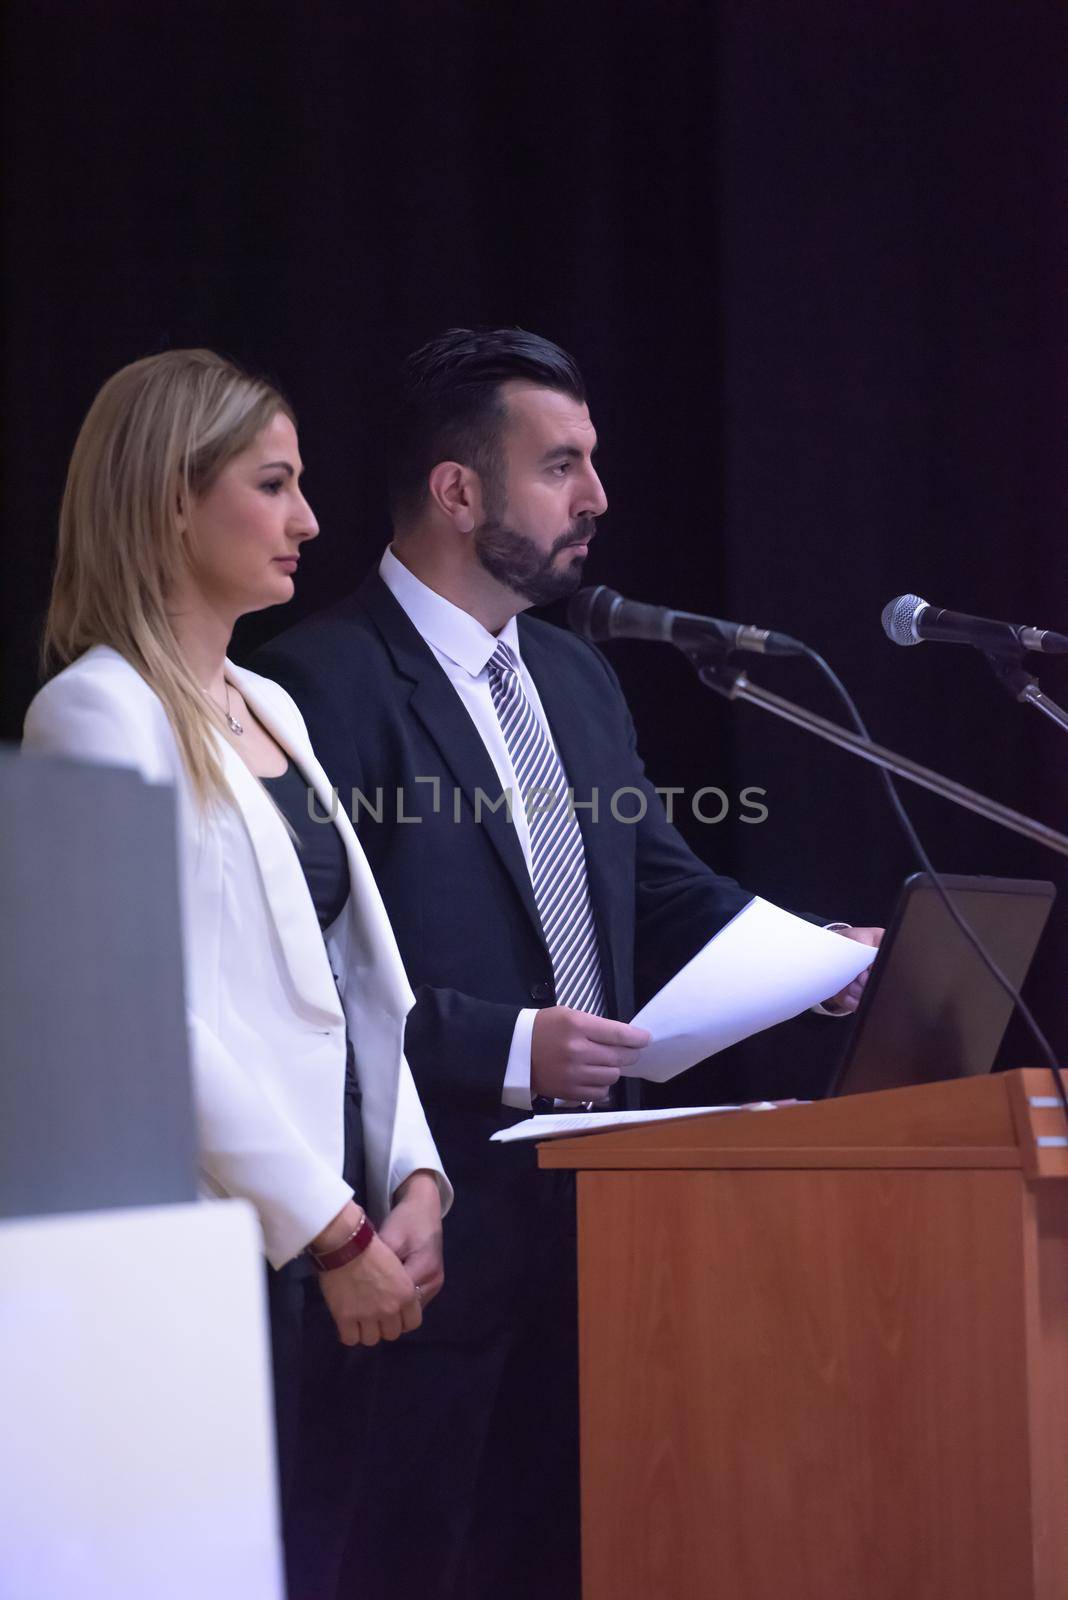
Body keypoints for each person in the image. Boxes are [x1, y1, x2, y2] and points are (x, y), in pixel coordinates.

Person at [252, 327, 881, 1599]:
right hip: (425, 1237)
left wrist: (811, 955)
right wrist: (509, 1044)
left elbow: (657, 889)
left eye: (590, 464)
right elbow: (294, 988)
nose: (596, 496)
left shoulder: (578, 677)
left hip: (615, 1235)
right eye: (562, 466)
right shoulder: (314, 684)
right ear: (458, 491)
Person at [21, 348, 452, 1600]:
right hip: (222, 1257)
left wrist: (415, 1171)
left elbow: (357, 976)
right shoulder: (95, 712)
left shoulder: (271, 700)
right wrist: (329, 1226)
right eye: (273, 484)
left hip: (339, 1246)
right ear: (169, 497)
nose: (309, 520)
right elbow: (146, 1011)